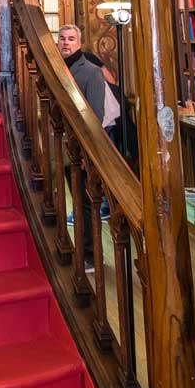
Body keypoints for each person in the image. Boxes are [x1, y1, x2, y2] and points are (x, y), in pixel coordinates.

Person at [56, 25, 118, 272]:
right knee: (75, 202)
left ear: (79, 43)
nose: (66, 43)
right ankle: (79, 250)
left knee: (85, 203)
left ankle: (91, 256)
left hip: (83, 150)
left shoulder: (91, 72)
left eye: (71, 39)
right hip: (65, 146)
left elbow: (96, 116)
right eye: (62, 39)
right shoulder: (57, 69)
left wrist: (87, 152)